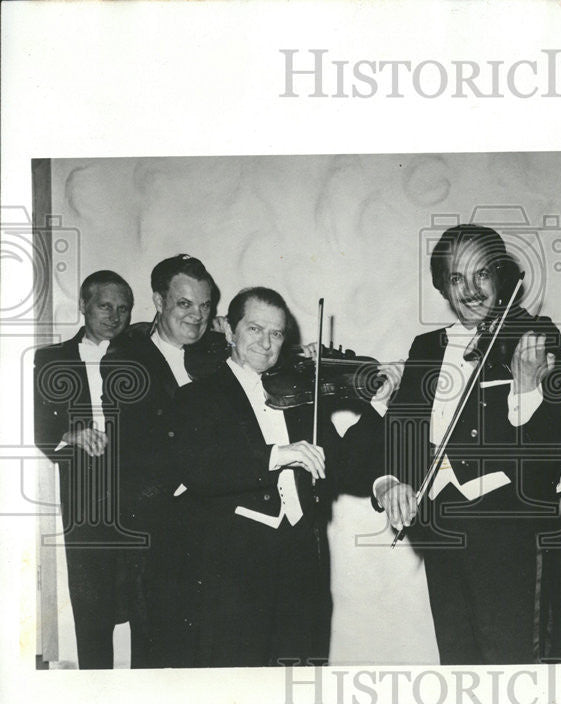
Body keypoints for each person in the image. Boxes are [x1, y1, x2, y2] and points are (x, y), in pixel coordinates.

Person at [373, 224, 561, 665]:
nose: (471, 290)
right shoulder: (426, 347)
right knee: (459, 667)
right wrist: (392, 482)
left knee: (518, 672)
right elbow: (400, 433)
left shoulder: (534, 335)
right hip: (440, 528)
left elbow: (558, 444)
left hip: (511, 533)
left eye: (482, 274)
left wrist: (524, 389)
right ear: (444, 286)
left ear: (502, 277)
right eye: (457, 278)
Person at [171, 287, 375, 666]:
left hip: (302, 560)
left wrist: (378, 407)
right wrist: (276, 455)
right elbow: (200, 469)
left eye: (277, 333)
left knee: (297, 679)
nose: (266, 344)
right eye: (254, 329)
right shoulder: (198, 396)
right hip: (234, 568)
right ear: (230, 331)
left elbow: (349, 469)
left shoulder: (299, 396)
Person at [102, 253, 224, 667]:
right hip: (160, 532)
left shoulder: (217, 358)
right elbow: (136, 452)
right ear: (159, 301)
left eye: (205, 306)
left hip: (217, 528)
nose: (197, 316)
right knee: (160, 656)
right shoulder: (125, 362)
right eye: (185, 304)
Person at [34, 270, 134, 668]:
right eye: (105, 306)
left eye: (123, 308)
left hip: (137, 492)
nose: (115, 316)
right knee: (91, 605)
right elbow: (35, 423)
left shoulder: (140, 353)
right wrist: (69, 435)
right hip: (85, 495)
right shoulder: (50, 359)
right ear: (83, 305)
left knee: (144, 603)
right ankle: (96, 692)